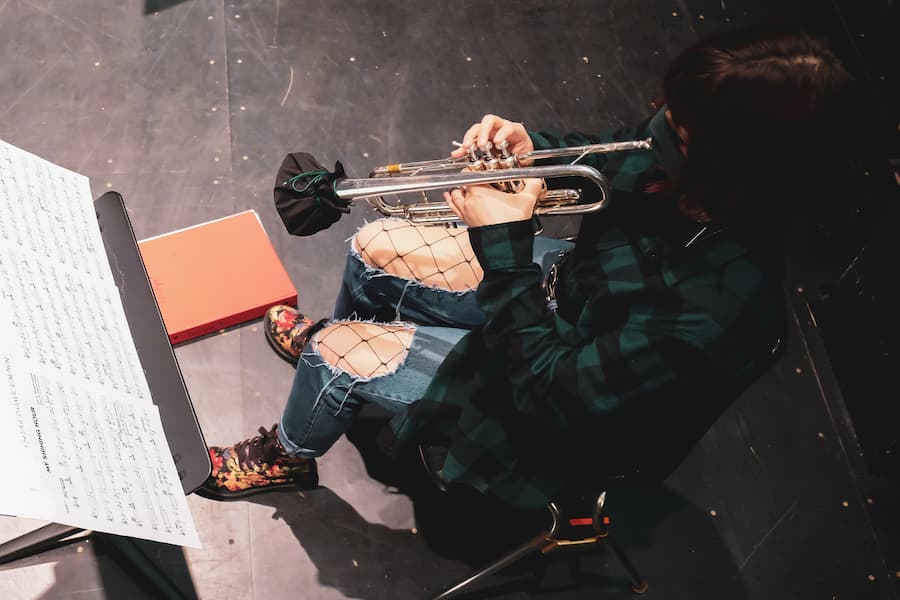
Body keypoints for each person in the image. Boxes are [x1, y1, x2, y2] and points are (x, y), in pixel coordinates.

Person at [195, 25, 851, 507]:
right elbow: (610, 157)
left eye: (676, 134)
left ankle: (292, 453)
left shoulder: (718, 310)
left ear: (736, 169)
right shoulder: (697, 168)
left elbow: (548, 391)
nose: (653, 131)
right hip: (554, 299)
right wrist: (532, 148)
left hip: (534, 416)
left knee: (333, 353)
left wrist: (505, 246)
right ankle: (342, 383)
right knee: (373, 249)